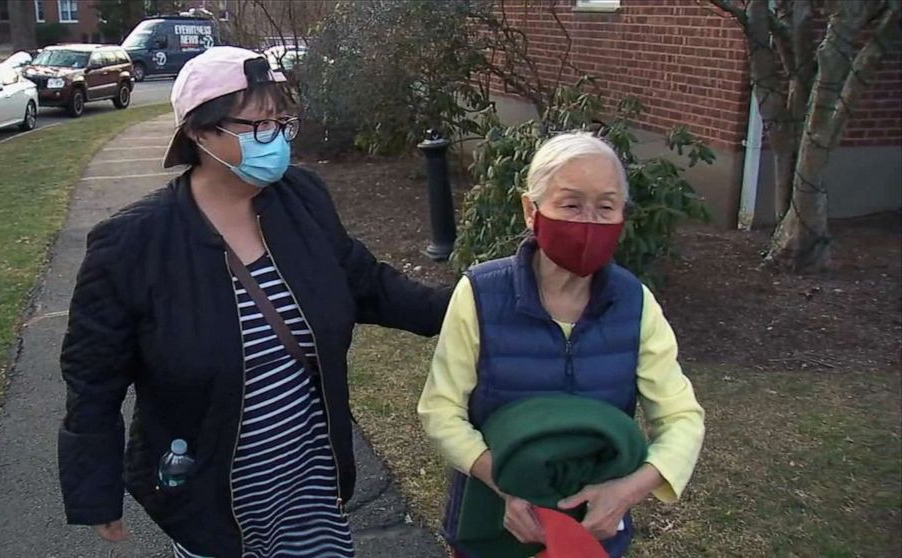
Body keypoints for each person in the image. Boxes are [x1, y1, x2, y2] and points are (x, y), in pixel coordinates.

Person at [58, 46, 450, 557]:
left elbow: (364, 282)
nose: (279, 140)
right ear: (200, 133)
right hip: (212, 491)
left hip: (309, 477)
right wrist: (95, 491)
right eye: (260, 126)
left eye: (282, 123)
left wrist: (465, 305)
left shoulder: (301, 197)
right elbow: (92, 377)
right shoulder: (132, 244)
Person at [418, 132, 706, 558]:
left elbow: (682, 418)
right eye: (571, 204)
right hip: (494, 518)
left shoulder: (635, 303)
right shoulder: (479, 294)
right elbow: (441, 409)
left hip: (595, 531)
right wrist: (505, 483)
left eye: (606, 206)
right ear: (531, 210)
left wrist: (628, 491)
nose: (589, 222)